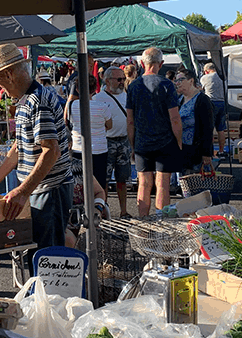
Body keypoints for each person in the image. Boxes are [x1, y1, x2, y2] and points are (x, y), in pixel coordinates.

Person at [0, 44, 73, 254]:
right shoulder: (25, 100)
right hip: (40, 189)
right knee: (39, 253)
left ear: (9, 74)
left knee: (47, 256)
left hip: (49, 190)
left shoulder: (37, 101)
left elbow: (51, 151)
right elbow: (19, 147)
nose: (1, 88)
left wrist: (22, 191)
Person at [126, 47, 182, 217]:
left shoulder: (133, 86)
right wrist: (179, 141)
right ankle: (161, 222)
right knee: (163, 183)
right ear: (161, 64)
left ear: (142, 63)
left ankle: (143, 221)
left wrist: (132, 145)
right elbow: (174, 118)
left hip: (142, 141)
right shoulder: (167, 85)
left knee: (143, 183)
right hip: (165, 141)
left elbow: (130, 120)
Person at [94, 66, 131, 217]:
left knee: (123, 179)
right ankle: (103, 211)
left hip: (124, 141)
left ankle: (124, 211)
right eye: (119, 79)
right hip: (106, 142)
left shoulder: (126, 96)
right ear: (108, 81)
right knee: (104, 180)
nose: (122, 82)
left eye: (123, 79)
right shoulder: (98, 99)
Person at [68, 74, 112, 192]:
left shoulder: (72, 105)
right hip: (99, 149)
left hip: (78, 148)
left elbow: (67, 121)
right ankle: (100, 203)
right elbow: (109, 125)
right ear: (95, 88)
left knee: (79, 184)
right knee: (100, 183)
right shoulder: (103, 107)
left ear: (77, 89)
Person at [173, 70, 215, 174]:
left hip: (195, 150)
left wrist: (206, 153)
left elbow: (207, 128)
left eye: (180, 80)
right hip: (181, 149)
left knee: (193, 179)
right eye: (176, 80)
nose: (177, 83)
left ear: (191, 81)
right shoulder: (180, 99)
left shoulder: (202, 100)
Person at [200, 62, 227, 155]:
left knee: (209, 129)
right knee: (221, 130)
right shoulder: (223, 78)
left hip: (211, 103)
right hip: (222, 102)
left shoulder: (205, 78)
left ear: (207, 71)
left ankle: (210, 151)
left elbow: (201, 89)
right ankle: (221, 151)